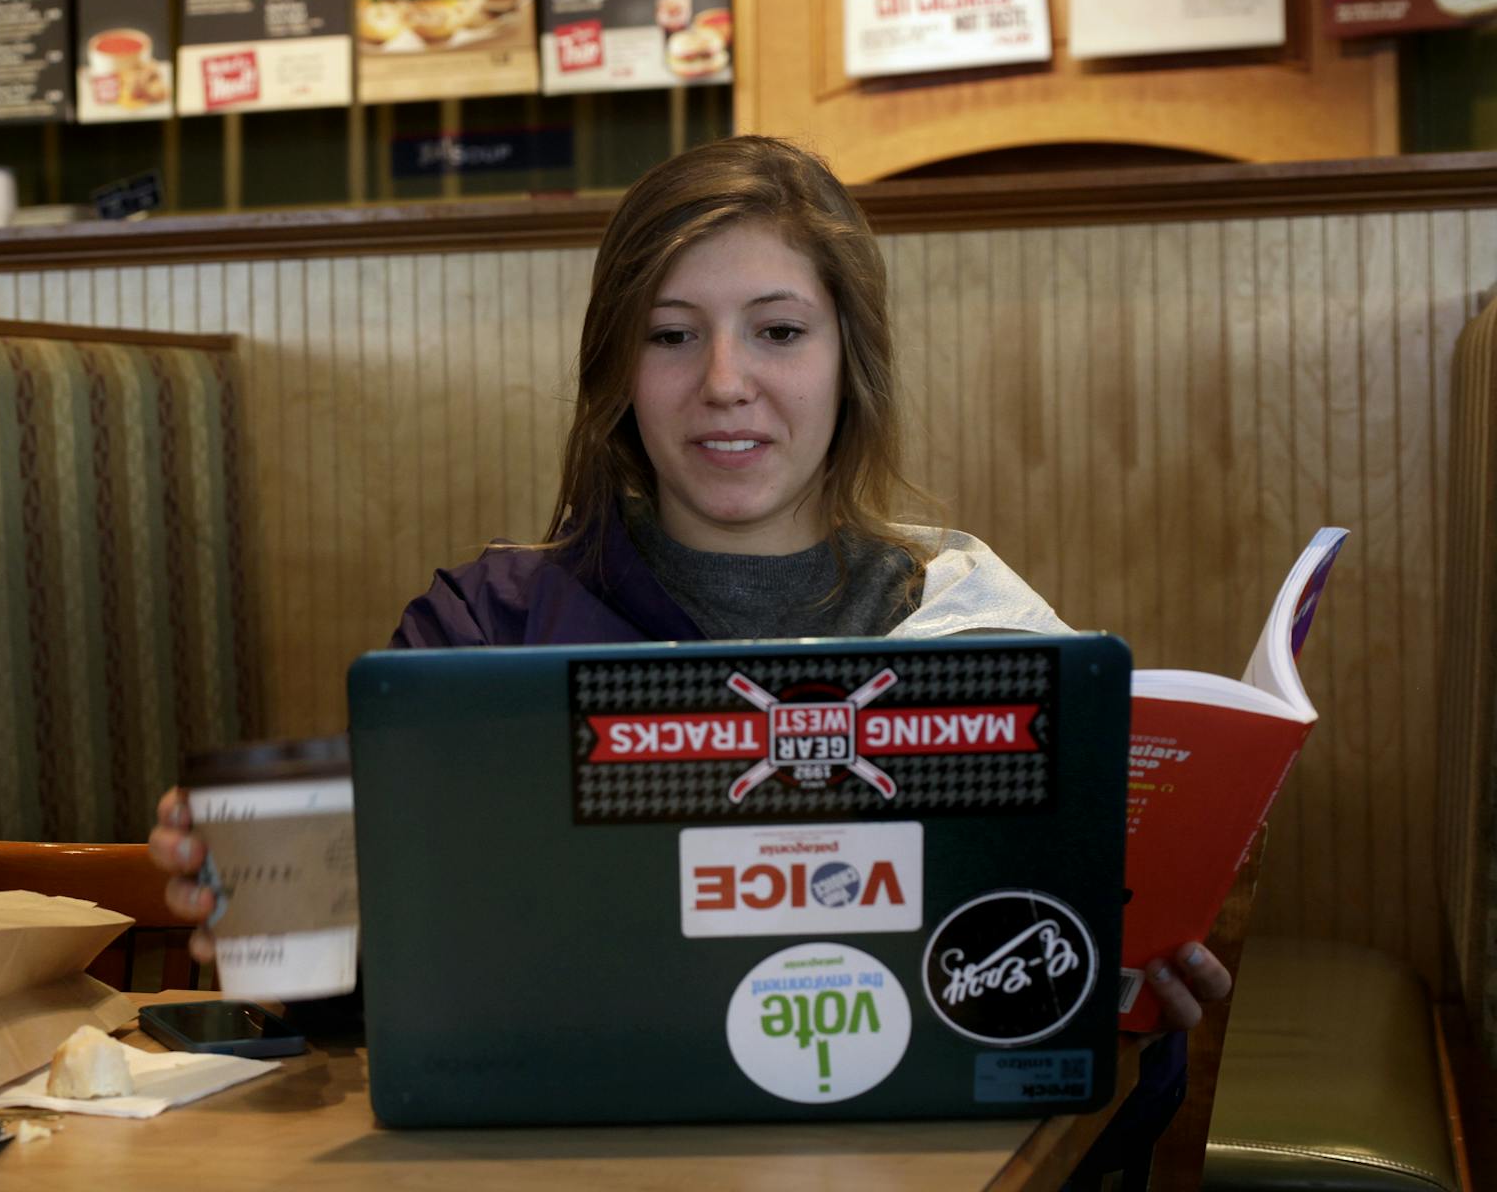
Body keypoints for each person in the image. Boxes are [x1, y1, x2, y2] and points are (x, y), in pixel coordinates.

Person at [150, 136, 1231, 1032]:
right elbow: (375, 1003)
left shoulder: (980, 628)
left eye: (778, 332)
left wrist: (1128, 969)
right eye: (672, 335)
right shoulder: (486, 631)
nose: (724, 383)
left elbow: (1019, 985)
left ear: (849, 359)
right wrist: (277, 919)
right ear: (617, 372)